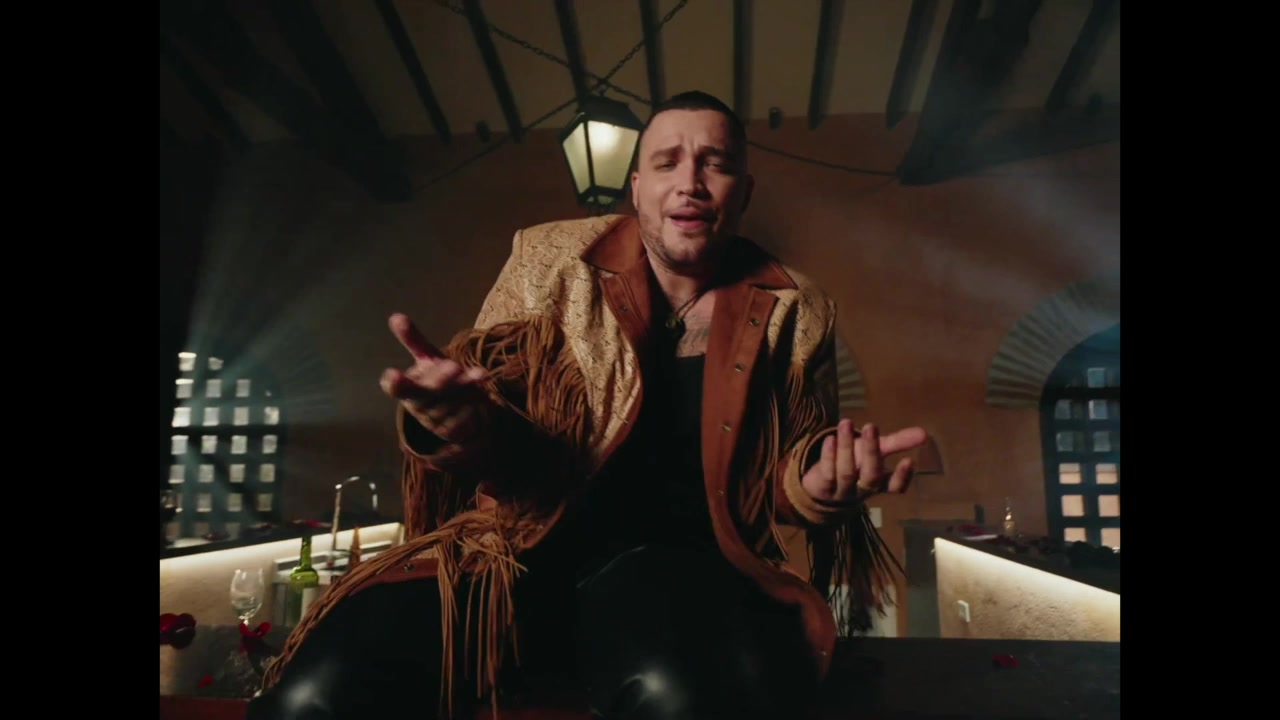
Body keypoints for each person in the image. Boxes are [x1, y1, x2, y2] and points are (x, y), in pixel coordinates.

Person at [246, 90, 927, 720]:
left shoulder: (796, 308)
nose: (690, 182)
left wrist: (818, 486)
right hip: (510, 556)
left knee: (686, 697)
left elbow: (788, 467)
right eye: (667, 162)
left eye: (715, 164)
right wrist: (459, 426)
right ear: (637, 187)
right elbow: (495, 422)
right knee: (314, 694)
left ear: (742, 192)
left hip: (679, 572)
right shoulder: (547, 259)